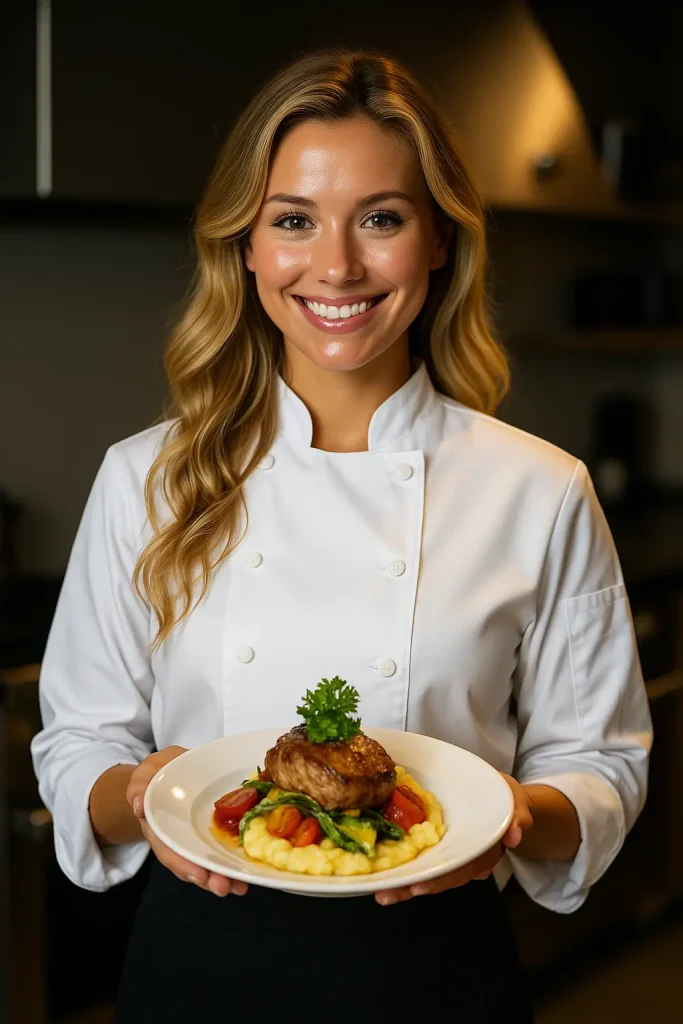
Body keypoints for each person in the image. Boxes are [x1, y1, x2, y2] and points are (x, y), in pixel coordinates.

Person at [31, 47, 652, 1023]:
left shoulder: (539, 487)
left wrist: (511, 817)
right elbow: (77, 740)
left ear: (438, 239)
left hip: (436, 968)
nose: (335, 265)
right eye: (292, 220)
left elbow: (600, 761)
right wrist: (143, 792)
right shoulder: (145, 477)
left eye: (380, 218)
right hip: (200, 961)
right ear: (244, 244)